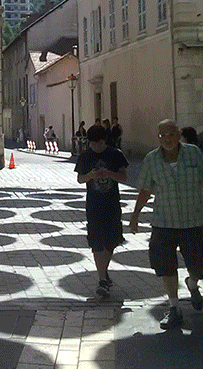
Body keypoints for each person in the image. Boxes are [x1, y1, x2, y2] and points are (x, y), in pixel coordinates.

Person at [130, 119, 203, 330]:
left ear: (179, 135)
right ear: (158, 137)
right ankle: (174, 308)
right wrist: (135, 215)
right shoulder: (151, 160)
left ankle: (192, 283)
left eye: (171, 135)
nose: (167, 139)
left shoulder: (194, 153)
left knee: (199, 265)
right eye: (162, 136)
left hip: (194, 220)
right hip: (164, 222)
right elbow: (145, 189)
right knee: (165, 266)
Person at [75, 124, 128, 298]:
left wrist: (109, 174)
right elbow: (79, 179)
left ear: (105, 141)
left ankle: (104, 273)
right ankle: (102, 279)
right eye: (93, 143)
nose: (97, 147)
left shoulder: (115, 154)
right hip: (94, 205)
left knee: (111, 241)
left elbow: (124, 177)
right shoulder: (85, 156)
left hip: (112, 204)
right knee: (97, 242)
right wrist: (90, 175)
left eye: (100, 143)